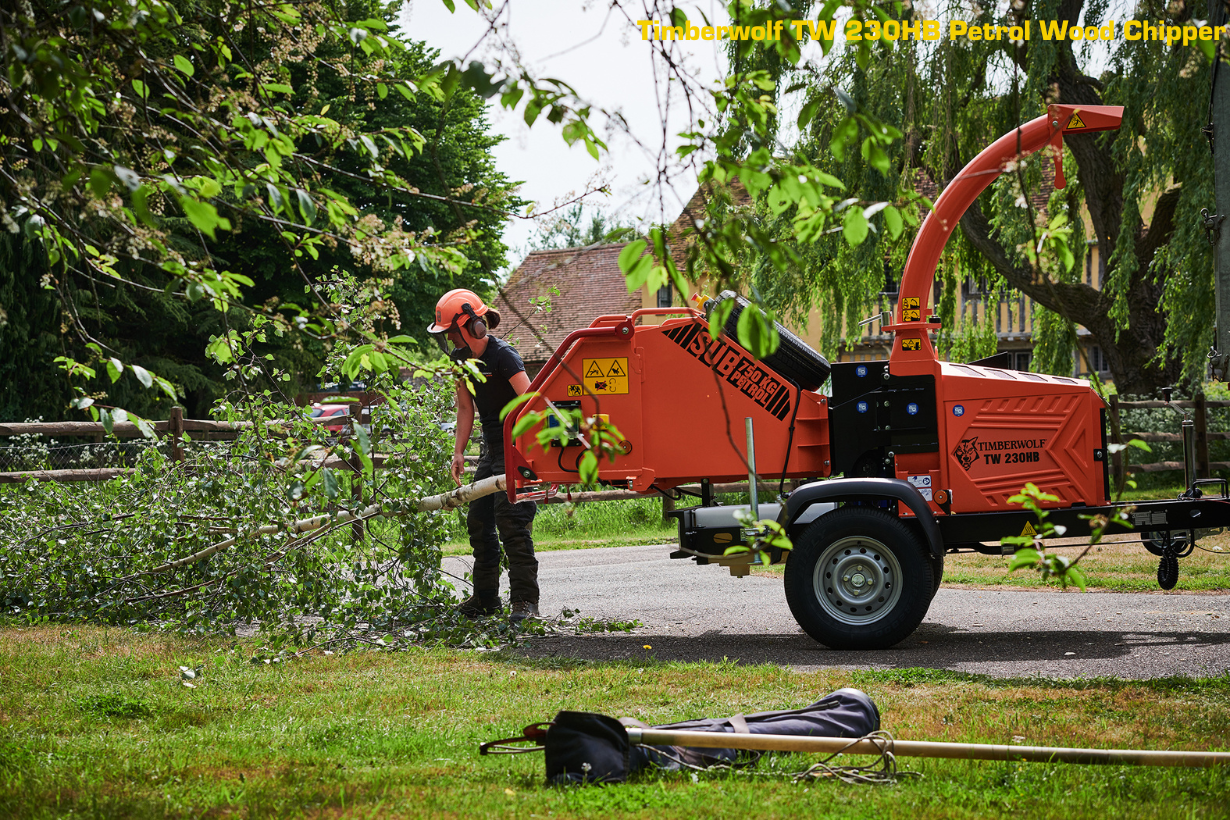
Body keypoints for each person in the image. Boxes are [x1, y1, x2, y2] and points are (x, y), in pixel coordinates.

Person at [427, 288, 540, 622]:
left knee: (512, 522)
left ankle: (525, 602)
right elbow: (465, 407)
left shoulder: (504, 356)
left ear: (473, 325)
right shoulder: (459, 361)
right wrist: (458, 451)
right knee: (478, 519)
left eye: (451, 331)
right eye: (446, 334)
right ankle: (486, 599)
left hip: (517, 447)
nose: (449, 338)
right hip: (492, 449)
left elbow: (532, 403)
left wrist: (527, 454)